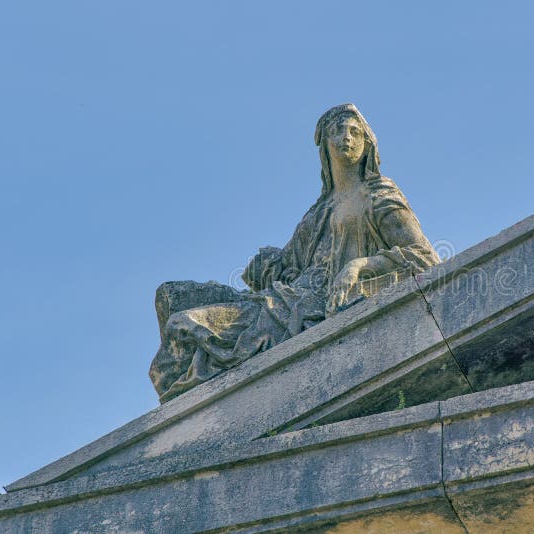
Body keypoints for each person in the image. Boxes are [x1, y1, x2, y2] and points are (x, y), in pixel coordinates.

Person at [149, 103, 441, 403]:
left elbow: (424, 257)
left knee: (181, 325)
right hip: (283, 299)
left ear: (368, 144)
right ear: (325, 145)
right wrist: (266, 264)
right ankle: (183, 415)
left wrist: (358, 266)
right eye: (337, 131)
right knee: (170, 295)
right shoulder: (318, 212)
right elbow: (289, 266)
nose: (347, 138)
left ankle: (190, 414)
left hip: (306, 307)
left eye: (355, 132)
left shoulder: (379, 195)